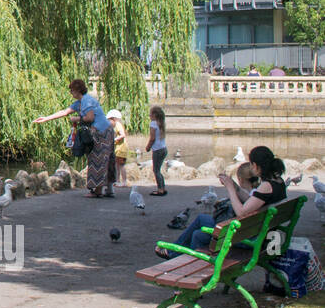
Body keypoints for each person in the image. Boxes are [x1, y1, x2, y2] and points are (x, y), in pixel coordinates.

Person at [157, 148, 289, 257]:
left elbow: (241, 212)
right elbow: (253, 202)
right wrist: (236, 187)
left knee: (200, 227)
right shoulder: (278, 182)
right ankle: (174, 253)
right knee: (200, 228)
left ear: (255, 165)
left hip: (249, 237)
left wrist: (230, 189)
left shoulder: (266, 186)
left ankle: (174, 253)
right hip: (261, 231)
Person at [35, 79, 114, 197]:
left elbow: (90, 117)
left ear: (77, 90)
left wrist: (76, 119)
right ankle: (109, 189)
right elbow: (65, 112)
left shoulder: (86, 101)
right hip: (107, 130)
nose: (71, 93)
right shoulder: (81, 101)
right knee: (107, 160)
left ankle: (97, 192)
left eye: (72, 90)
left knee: (97, 160)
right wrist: (46, 118)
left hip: (100, 133)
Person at [144, 105, 167, 196]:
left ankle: (160, 189)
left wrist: (148, 147)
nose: (149, 115)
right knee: (158, 169)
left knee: (156, 170)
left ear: (154, 115)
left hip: (157, 150)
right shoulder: (161, 123)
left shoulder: (153, 124)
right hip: (164, 149)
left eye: (150, 114)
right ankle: (163, 187)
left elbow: (152, 138)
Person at [107, 108, 129, 193]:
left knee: (121, 165)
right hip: (118, 148)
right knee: (117, 165)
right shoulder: (115, 125)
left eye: (109, 119)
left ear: (114, 118)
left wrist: (115, 139)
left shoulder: (118, 124)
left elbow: (122, 135)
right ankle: (117, 180)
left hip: (121, 148)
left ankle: (124, 181)